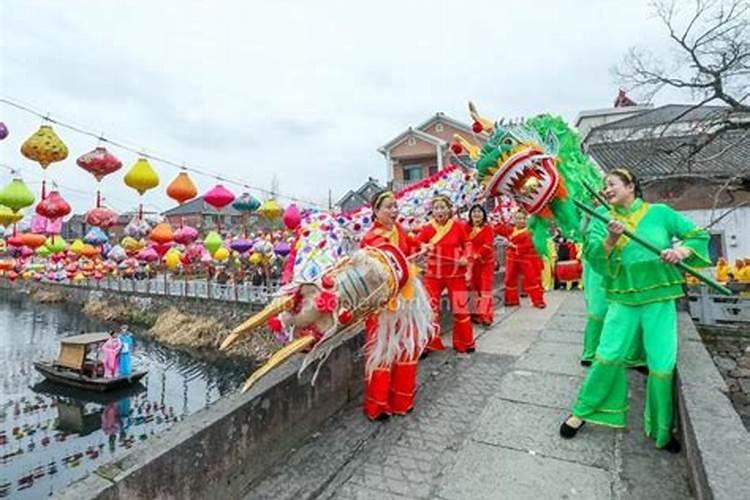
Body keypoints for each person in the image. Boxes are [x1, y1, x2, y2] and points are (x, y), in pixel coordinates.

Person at [560, 167, 710, 452]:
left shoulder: (660, 213)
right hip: (623, 300)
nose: (606, 189)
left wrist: (680, 252)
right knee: (607, 355)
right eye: (604, 186)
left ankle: (661, 429)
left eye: (612, 184)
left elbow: (697, 235)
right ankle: (582, 413)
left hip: (660, 298)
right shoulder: (603, 218)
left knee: (662, 364)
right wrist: (611, 240)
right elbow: (594, 258)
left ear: (631, 186)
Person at [359, 190, 425, 420]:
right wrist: (408, 259)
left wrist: (421, 246)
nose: (394, 210)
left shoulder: (398, 231)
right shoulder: (370, 238)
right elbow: (379, 268)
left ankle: (402, 400)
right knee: (382, 351)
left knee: (406, 346)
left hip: (406, 297)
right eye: (388, 206)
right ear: (376, 211)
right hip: (383, 301)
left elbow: (411, 246)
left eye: (395, 206)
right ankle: (377, 405)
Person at [417, 195, 475, 354]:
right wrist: (424, 246)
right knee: (430, 308)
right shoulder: (427, 228)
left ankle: (465, 342)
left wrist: (466, 257)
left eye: (443, 207)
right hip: (433, 273)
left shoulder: (458, 226)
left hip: (455, 273)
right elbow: (416, 244)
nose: (439, 211)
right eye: (436, 208)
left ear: (449, 210)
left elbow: (467, 244)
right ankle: (429, 343)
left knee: (461, 308)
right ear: (432, 211)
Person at [494, 210, 546, 308]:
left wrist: (512, 245)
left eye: (523, 218)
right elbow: (498, 229)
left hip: (525, 258)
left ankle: (538, 300)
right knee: (509, 279)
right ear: (514, 219)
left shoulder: (529, 232)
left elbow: (528, 245)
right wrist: (499, 219)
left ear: (526, 220)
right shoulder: (511, 229)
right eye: (518, 218)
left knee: (531, 280)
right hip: (511, 258)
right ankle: (511, 300)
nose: (520, 221)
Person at [466, 204, 496, 326]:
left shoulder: (488, 229)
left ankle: (486, 315)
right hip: (471, 264)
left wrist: (477, 255)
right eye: (474, 212)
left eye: (479, 211)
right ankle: (474, 314)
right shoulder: (465, 228)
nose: (476, 214)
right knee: (472, 289)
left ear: (484, 214)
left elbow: (488, 245)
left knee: (485, 289)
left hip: (485, 263)